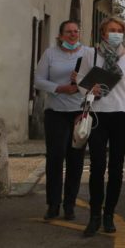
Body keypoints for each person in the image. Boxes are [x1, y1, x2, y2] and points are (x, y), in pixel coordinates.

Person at [79, 17, 125, 237]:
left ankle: (109, 215)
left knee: (116, 168)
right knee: (97, 167)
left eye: (120, 30)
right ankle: (94, 216)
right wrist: (90, 89)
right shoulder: (91, 54)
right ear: (103, 33)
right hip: (98, 115)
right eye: (112, 30)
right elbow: (81, 81)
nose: (117, 33)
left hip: (121, 115)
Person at [33, 19, 88, 221]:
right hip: (55, 112)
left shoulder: (87, 53)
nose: (73, 35)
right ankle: (53, 204)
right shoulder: (50, 54)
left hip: (79, 113)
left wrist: (81, 82)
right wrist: (59, 88)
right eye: (69, 32)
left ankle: (70, 205)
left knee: (76, 160)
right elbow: (38, 80)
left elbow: (98, 80)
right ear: (60, 35)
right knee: (55, 159)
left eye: (76, 31)